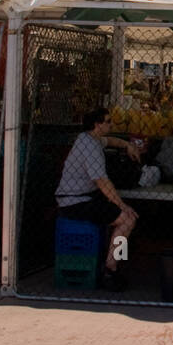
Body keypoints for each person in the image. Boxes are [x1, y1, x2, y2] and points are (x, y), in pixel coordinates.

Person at [54, 108, 141, 291]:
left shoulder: (89, 139)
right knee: (128, 220)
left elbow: (110, 141)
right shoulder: (90, 148)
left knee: (125, 218)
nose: (111, 124)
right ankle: (112, 267)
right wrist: (121, 205)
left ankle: (116, 259)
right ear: (97, 124)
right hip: (76, 202)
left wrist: (127, 145)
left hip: (82, 198)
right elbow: (102, 181)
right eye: (108, 121)